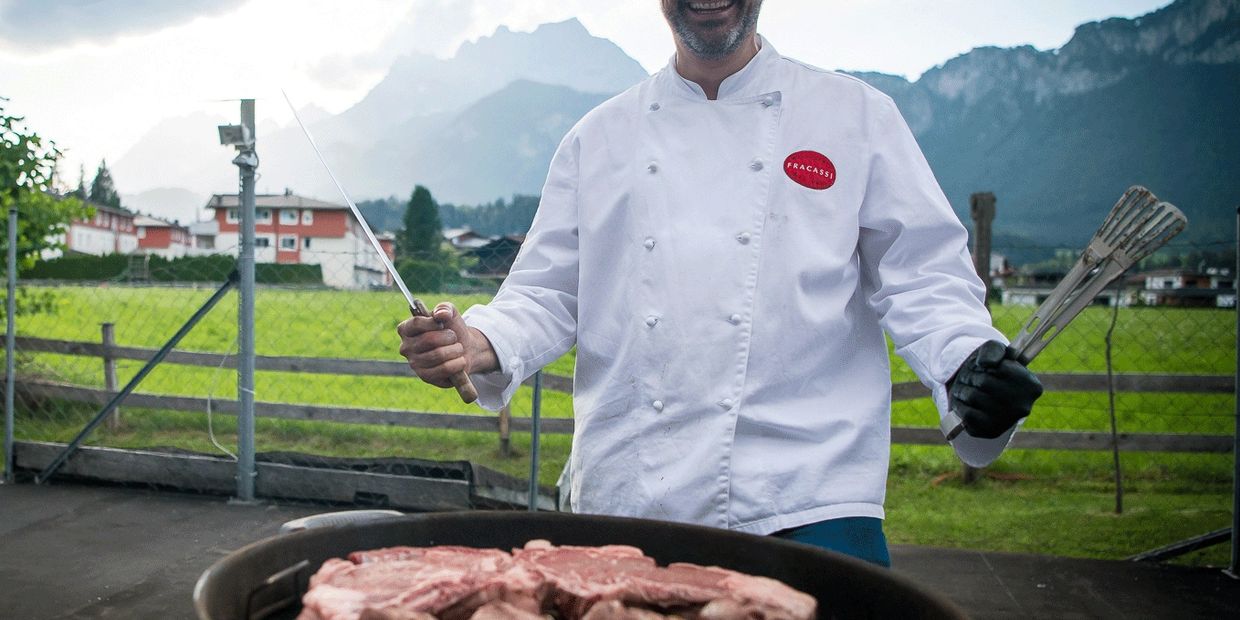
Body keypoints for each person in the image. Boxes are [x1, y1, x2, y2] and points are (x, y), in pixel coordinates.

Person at [397, 0, 1043, 567]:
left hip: (812, 497)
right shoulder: (596, 139)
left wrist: (965, 358)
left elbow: (924, 275)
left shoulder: (856, 117)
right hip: (631, 494)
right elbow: (546, 291)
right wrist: (479, 340)